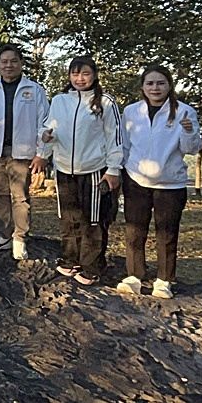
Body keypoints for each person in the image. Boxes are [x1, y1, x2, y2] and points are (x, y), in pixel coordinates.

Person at [117, 65, 202, 299]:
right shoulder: (131, 111)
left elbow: (192, 148)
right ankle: (134, 276)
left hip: (170, 184)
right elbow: (124, 144)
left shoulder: (184, 111)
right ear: (143, 87)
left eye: (161, 83)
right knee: (135, 231)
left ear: (169, 86)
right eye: (150, 83)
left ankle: (164, 280)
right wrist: (120, 170)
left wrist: (188, 131)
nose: (155, 88)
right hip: (136, 179)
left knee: (166, 233)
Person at [42, 56, 123, 286]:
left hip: (94, 169)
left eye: (85, 73)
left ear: (94, 75)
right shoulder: (59, 100)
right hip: (64, 169)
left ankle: (92, 266)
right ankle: (70, 259)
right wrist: (45, 139)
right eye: (75, 74)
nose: (80, 79)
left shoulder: (105, 102)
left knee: (93, 220)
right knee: (69, 217)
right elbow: (49, 128)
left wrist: (114, 168)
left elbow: (115, 136)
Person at [0, 45, 49, 260]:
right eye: (4, 61)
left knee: (20, 197)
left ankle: (19, 237)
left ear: (21, 63)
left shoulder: (34, 90)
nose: (9, 65)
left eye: (13, 61)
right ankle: (2, 235)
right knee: (0, 195)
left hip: (22, 152)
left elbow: (44, 123)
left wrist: (42, 153)